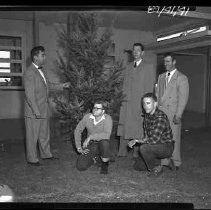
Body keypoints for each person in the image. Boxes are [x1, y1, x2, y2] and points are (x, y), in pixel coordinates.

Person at [24, 46, 70, 166]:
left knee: (44, 133)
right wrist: (36, 111)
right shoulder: (29, 73)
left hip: (44, 109)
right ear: (35, 57)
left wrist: (62, 85)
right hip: (34, 111)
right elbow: (30, 95)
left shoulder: (41, 71)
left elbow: (48, 85)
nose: (45, 57)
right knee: (32, 136)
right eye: (43, 55)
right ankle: (32, 159)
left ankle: (46, 154)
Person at [117, 43, 155, 157]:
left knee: (138, 127)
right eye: (134, 50)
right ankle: (122, 152)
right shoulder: (127, 66)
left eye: (138, 50)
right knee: (124, 126)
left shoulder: (148, 67)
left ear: (142, 53)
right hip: (127, 103)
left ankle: (137, 153)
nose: (135, 52)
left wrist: (146, 104)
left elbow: (149, 87)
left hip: (139, 103)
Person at [128, 93, 175, 177]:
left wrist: (136, 141)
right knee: (137, 166)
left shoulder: (160, 117)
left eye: (148, 103)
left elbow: (153, 140)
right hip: (155, 146)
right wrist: (140, 140)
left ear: (155, 104)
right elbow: (147, 137)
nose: (145, 106)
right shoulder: (147, 116)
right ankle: (163, 162)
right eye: (144, 103)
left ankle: (156, 168)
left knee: (144, 148)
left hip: (166, 146)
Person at [156, 52, 189, 170]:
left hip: (173, 112)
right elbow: (158, 95)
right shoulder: (161, 77)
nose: (166, 64)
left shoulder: (181, 78)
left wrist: (178, 114)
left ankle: (176, 161)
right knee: (161, 137)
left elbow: (183, 98)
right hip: (161, 112)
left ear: (174, 62)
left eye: (168, 61)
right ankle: (164, 160)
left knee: (174, 138)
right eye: (165, 62)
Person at [74, 101, 113, 174]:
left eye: (98, 108)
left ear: (103, 111)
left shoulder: (108, 119)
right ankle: (96, 159)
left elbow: (106, 135)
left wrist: (90, 137)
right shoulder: (87, 117)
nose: (95, 109)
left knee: (104, 142)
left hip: (103, 144)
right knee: (80, 166)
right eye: (94, 107)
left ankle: (105, 165)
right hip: (91, 145)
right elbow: (78, 130)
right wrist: (79, 147)